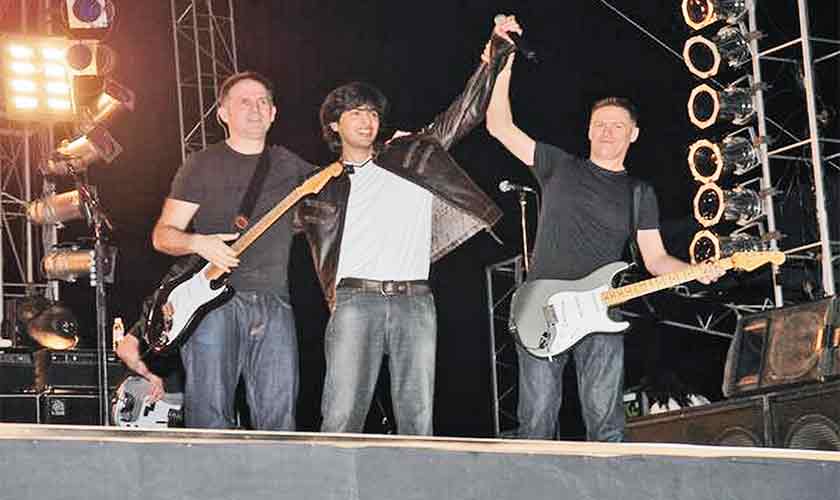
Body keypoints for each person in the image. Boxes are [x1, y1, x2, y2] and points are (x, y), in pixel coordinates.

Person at [485, 18, 721, 442]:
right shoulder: (559, 166)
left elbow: (655, 259)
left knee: (607, 426)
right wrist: (503, 61)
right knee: (537, 421)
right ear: (589, 129)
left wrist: (695, 270)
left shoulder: (639, 193)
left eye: (617, 125)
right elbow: (499, 126)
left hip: (602, 311)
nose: (607, 131)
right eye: (600, 124)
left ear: (633, 134)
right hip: (542, 308)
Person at [295, 18, 518, 435]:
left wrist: (494, 53)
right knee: (342, 415)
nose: (367, 120)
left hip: (415, 301)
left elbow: (465, 113)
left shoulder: (412, 154)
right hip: (355, 300)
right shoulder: (320, 187)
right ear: (334, 125)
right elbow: (264, 230)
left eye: (372, 113)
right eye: (355, 113)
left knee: (417, 419)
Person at [150, 71, 313, 430]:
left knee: (280, 419)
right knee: (209, 416)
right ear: (222, 113)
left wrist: (388, 150)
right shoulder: (201, 165)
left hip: (275, 303)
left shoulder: (290, 165)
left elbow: (345, 185)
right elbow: (162, 235)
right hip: (213, 306)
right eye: (244, 101)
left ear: (273, 113)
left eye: (263, 102)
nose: (255, 109)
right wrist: (198, 242)